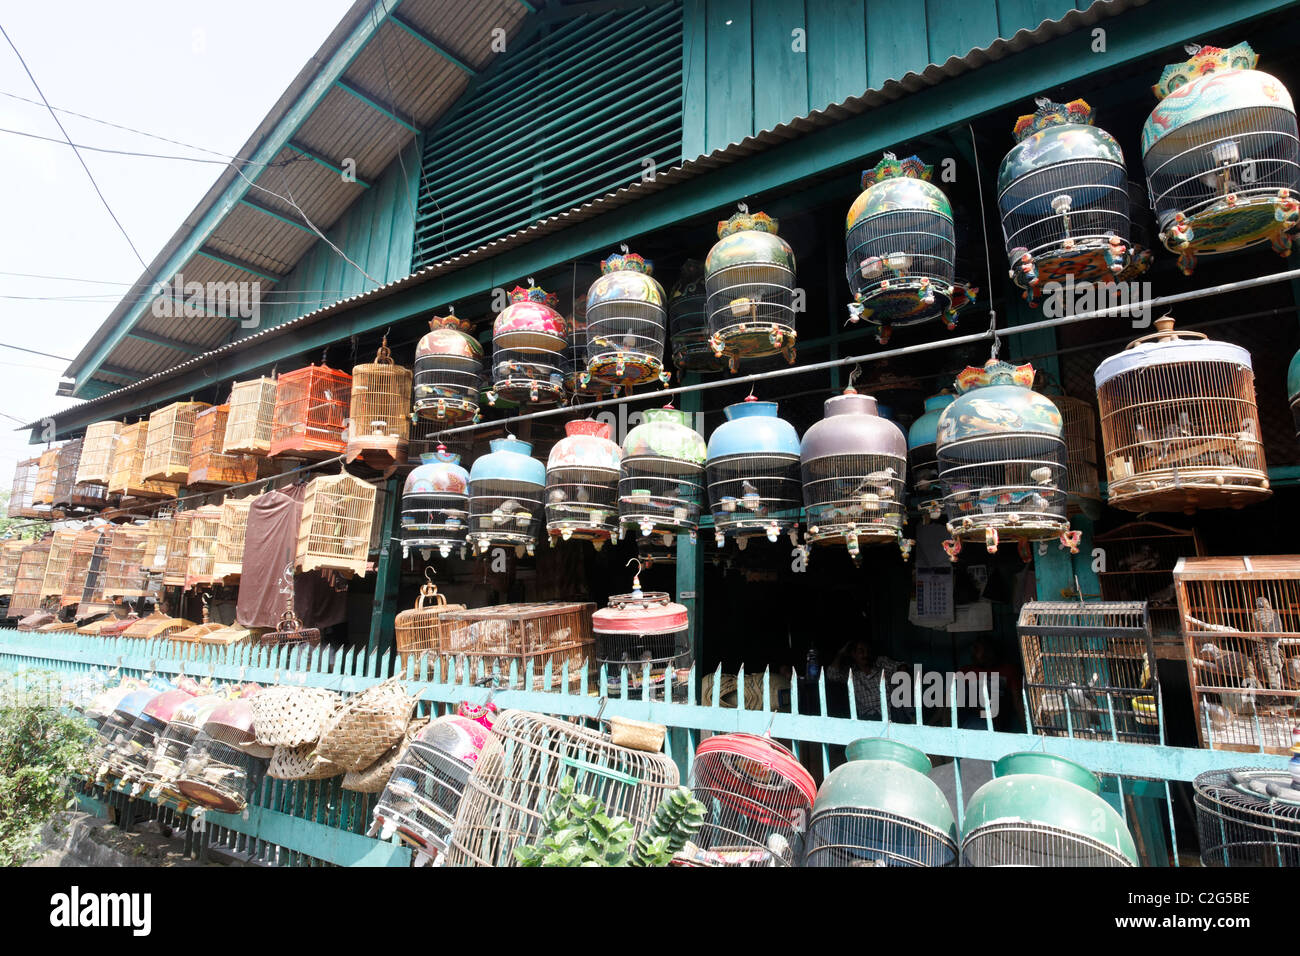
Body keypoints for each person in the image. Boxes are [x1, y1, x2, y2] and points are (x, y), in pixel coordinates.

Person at [826, 638, 912, 722]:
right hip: (868, 719)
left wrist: (900, 679)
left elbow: (901, 666)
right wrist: (840, 654)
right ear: (853, 654)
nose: (865, 655)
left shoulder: (881, 663)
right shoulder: (851, 673)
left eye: (868, 651)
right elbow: (831, 674)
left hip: (892, 715)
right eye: (861, 651)